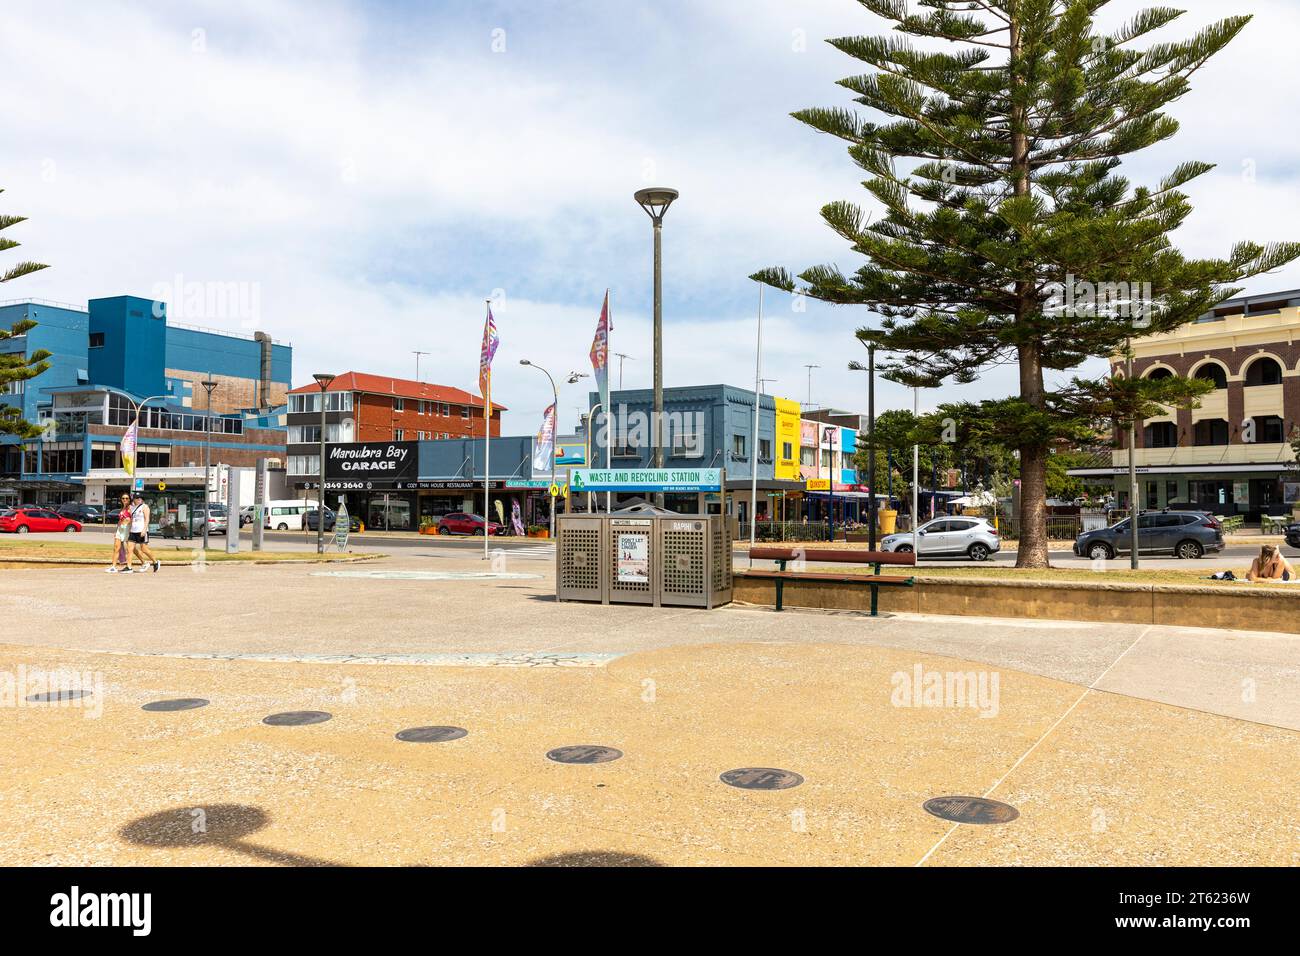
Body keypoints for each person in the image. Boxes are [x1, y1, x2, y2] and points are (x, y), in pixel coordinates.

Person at [127, 493, 160, 573]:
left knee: (144, 549)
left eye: (140, 498)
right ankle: (129, 567)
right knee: (130, 549)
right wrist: (129, 529)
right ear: (134, 499)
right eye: (137, 498)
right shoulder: (131, 507)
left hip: (142, 530)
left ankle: (155, 562)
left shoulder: (144, 507)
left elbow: (147, 519)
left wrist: (144, 530)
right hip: (133, 531)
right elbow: (131, 519)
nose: (139, 499)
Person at [106, 493, 132, 573]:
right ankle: (113, 566)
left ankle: (140, 563)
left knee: (130, 549)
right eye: (123, 498)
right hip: (120, 530)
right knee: (116, 548)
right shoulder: (122, 508)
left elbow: (133, 518)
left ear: (129, 499)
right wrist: (117, 529)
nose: (125, 500)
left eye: (127, 498)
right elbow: (120, 520)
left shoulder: (130, 508)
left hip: (127, 530)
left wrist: (128, 522)